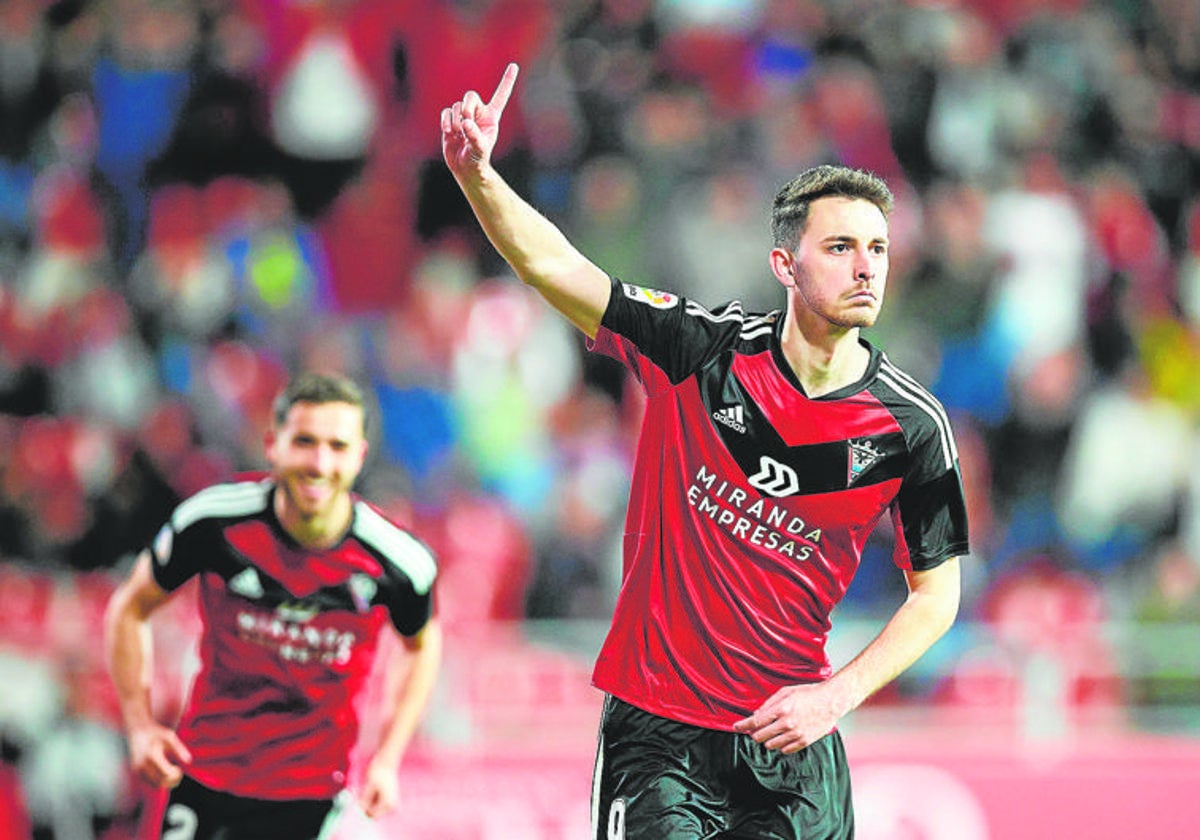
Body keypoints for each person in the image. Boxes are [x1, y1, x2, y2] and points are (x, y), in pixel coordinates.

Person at [441, 65, 968, 839]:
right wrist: (477, 176)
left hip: (795, 740)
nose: (866, 267)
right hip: (660, 736)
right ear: (785, 265)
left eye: (879, 249)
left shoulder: (913, 426)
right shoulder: (701, 351)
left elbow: (937, 596)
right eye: (842, 246)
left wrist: (837, 696)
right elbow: (555, 268)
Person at [103, 372, 441, 839]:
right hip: (206, 780)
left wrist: (388, 757)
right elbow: (130, 606)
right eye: (304, 441)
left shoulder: (396, 560)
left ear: (360, 456)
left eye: (338, 447)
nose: (320, 463)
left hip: (317, 796)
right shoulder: (214, 521)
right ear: (272, 445)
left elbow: (422, 643)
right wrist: (139, 726)